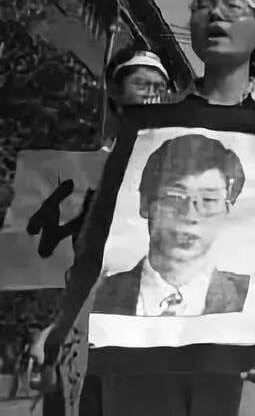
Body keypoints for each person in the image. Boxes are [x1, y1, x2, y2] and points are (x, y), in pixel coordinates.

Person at [33, 0, 255, 416]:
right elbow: (101, 240)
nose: (216, 16)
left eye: (233, 7)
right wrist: (63, 321)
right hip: (138, 355)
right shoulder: (151, 121)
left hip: (243, 360)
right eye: (204, 6)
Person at [36, 46, 172, 416]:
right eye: (141, 83)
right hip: (86, 315)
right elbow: (58, 258)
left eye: (160, 86)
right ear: (114, 92)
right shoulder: (83, 169)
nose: (152, 93)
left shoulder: (179, 169)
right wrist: (52, 325)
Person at [93, 135, 249, 317]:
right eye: (174, 197)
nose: (190, 215)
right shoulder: (98, 295)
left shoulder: (253, 296)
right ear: (145, 203)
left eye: (208, 199)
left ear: (226, 211)